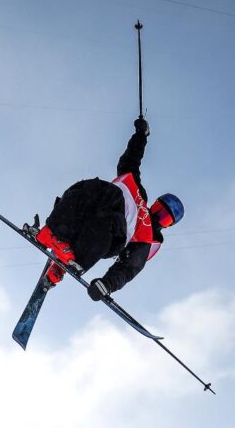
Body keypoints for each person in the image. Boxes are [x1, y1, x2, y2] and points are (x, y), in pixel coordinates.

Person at [34, 117, 184, 302]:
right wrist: (141, 136)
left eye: (165, 219)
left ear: (167, 226)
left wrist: (108, 284)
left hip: (112, 235)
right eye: (160, 209)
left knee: (108, 216)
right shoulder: (138, 194)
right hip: (96, 205)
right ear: (155, 204)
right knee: (86, 189)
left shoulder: (148, 238)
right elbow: (130, 161)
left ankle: (67, 263)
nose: (158, 217)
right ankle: (55, 235)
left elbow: (130, 266)